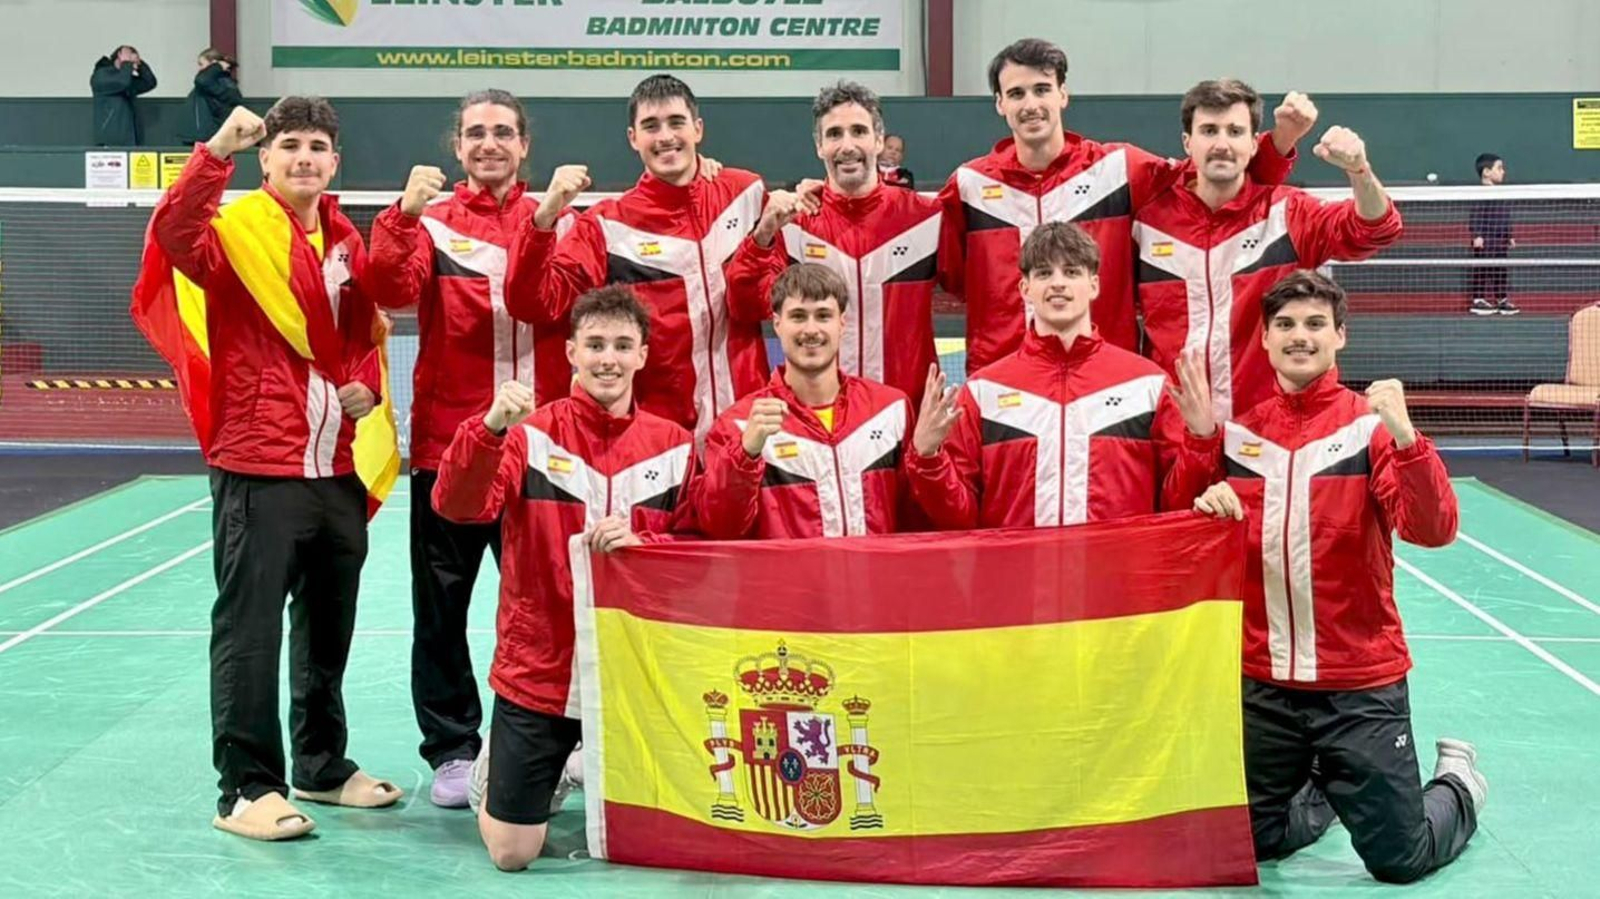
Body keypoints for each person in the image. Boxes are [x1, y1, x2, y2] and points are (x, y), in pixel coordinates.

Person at [141, 100, 398, 840]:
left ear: (335, 162)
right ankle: (245, 787)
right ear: (266, 158)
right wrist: (214, 150)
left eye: (318, 146)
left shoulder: (344, 239)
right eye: (290, 146)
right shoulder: (233, 232)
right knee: (250, 630)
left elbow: (360, 335)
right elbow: (173, 234)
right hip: (260, 460)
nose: (305, 158)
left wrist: (368, 388)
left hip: (336, 465)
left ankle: (320, 764)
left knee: (329, 625)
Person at [1183, 270, 1485, 883]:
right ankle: (1327, 782)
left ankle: (1459, 783)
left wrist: (1406, 436)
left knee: (1400, 860)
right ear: (1264, 340)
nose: (1301, 336)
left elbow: (1434, 529)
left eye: (1315, 324)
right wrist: (1200, 478)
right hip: (1262, 684)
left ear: (1340, 336)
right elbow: (1187, 526)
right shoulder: (1238, 438)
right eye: (1286, 325)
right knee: (1254, 843)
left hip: (1358, 684)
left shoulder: (1369, 430)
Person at [432, 285, 700, 872]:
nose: (609, 358)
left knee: (671, 834)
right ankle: (494, 772)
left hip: (636, 673)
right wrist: (490, 428)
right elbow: (457, 505)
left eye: (622, 345)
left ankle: (581, 762)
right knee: (512, 853)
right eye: (596, 344)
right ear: (572, 352)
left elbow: (698, 546)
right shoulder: (530, 437)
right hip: (541, 672)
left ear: (643, 356)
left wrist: (645, 543)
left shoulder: (675, 446)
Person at [365, 89, 578, 809]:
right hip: (449, 449)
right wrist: (402, 215)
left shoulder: (561, 221)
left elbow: (553, 309)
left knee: (552, 602)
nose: (490, 144)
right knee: (443, 609)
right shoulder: (431, 223)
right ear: (458, 147)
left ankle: (563, 736)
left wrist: (545, 222)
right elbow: (390, 288)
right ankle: (454, 748)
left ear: (525, 145)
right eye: (477, 133)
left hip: (546, 452)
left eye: (504, 133)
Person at [938, 38, 1313, 374]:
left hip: (1106, 381)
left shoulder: (1118, 169)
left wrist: (1281, 141)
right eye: (1017, 93)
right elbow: (952, 277)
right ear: (1000, 103)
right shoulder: (970, 186)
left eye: (1042, 89)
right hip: (1001, 382)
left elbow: (1214, 173)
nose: (1031, 104)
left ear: (1063, 95)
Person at [506, 73, 767, 442]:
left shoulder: (747, 195)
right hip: (657, 440)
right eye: (650, 126)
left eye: (676, 122)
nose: (665, 137)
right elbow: (533, 303)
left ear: (698, 128)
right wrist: (543, 218)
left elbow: (780, 296)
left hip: (747, 427)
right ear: (633, 138)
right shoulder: (607, 226)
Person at [906, 221, 1217, 529]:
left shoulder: (1147, 384)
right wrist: (927, 457)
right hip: (1018, 576)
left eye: (1071, 272)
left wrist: (1201, 439)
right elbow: (960, 519)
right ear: (1025, 288)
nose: (1058, 283)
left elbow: (1176, 507)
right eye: (1044, 273)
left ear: (1094, 285)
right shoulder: (983, 392)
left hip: (1119, 576)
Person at [1133, 78, 1402, 422]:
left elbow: (1374, 229)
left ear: (1255, 143)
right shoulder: (1148, 221)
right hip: (1172, 434)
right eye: (1209, 130)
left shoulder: (1286, 215)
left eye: (1234, 131)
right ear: (1187, 141)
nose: (1222, 144)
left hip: (1265, 438)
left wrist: (1359, 171)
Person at [726, 80, 941, 406]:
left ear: (879, 140)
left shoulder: (927, 218)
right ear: (819, 146)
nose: (847, 145)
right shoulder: (793, 225)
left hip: (906, 414)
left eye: (859, 131)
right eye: (834, 134)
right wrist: (762, 236)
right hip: (815, 421)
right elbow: (745, 306)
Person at [697, 263, 916, 538]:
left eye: (823, 316)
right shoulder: (737, 426)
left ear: (842, 323)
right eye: (798, 316)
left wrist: (930, 455)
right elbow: (720, 529)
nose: (811, 329)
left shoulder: (890, 410)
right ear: (777, 324)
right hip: (790, 582)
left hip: (876, 580)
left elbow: (918, 523)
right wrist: (745, 454)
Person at [1469, 153, 1517, 315]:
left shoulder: (1500, 194)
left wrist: (1509, 235)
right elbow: (1476, 215)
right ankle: (1478, 300)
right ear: (1486, 172)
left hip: (1499, 242)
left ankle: (1502, 300)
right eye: (1499, 168)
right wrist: (1477, 235)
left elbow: (1505, 216)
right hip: (1486, 241)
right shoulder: (1480, 193)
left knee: (1500, 270)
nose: (1503, 172)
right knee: (1482, 269)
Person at [91, 44, 157, 146]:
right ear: (119, 57)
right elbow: (122, 82)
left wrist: (140, 64)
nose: (131, 65)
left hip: (130, 140)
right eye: (129, 59)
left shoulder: (126, 77)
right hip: (110, 141)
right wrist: (127, 63)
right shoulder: (101, 76)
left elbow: (150, 82)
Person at [179, 48, 244, 146]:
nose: (199, 68)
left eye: (201, 64)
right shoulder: (213, 82)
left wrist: (217, 66)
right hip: (203, 137)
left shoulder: (221, 82)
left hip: (209, 138)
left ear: (213, 64)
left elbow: (201, 80)